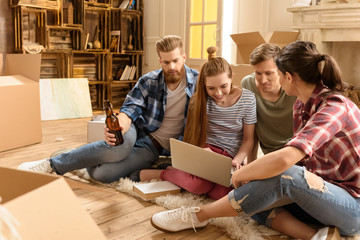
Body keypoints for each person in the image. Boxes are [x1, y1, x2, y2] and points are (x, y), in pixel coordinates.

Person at [149, 41, 360, 240]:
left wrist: (243, 172)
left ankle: (199, 215)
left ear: (288, 77)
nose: (267, 79)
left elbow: (287, 160)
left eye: (274, 73)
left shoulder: (335, 107)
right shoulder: (300, 106)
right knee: (254, 200)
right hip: (319, 196)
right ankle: (316, 236)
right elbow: (302, 165)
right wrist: (255, 177)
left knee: (284, 175)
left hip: (352, 207)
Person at [18, 35, 199, 183]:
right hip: (137, 129)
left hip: (154, 148)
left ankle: (90, 155)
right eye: (166, 63)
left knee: (102, 175)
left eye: (175, 61)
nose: (172, 67)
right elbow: (129, 109)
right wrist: (120, 125)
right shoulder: (149, 80)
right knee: (120, 147)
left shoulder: (199, 83)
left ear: (183, 57)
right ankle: (52, 164)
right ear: (160, 61)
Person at [130, 46, 257, 200]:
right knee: (198, 186)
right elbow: (191, 136)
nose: (218, 93)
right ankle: (162, 173)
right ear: (203, 85)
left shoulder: (248, 99)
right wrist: (202, 150)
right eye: (211, 88)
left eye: (224, 86)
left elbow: (249, 139)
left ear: (232, 78)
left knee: (224, 194)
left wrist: (237, 160)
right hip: (206, 152)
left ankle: (179, 174)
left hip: (231, 158)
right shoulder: (199, 100)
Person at [241, 43, 296, 161]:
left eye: (268, 73)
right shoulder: (247, 84)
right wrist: (251, 164)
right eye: (258, 73)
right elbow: (252, 128)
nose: (263, 80)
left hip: (294, 152)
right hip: (269, 155)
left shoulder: (294, 87)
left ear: (281, 70)